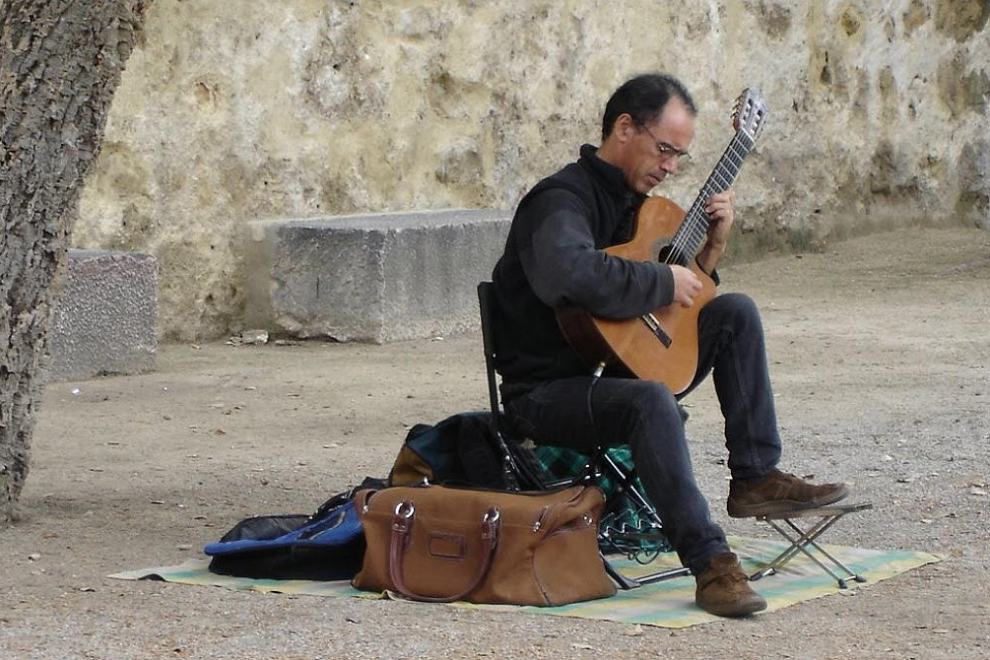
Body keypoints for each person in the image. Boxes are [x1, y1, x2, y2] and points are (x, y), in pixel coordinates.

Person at [490, 73, 849, 618]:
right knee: (651, 399)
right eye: (664, 150)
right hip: (545, 393)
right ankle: (710, 564)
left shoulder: (643, 207)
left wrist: (706, 260)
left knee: (734, 312)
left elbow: (661, 321)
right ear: (624, 128)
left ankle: (754, 476)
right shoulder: (559, 200)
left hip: (613, 368)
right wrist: (663, 282)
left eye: (681, 157)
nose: (671, 167)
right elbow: (568, 275)